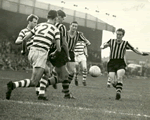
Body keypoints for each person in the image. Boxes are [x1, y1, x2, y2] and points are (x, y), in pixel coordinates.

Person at [6, 10, 61, 100]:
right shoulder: (55, 29)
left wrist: (23, 51)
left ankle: (41, 94)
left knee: (47, 71)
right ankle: (13, 85)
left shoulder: (39, 25)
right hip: (41, 54)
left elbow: (24, 39)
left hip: (32, 52)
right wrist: (54, 53)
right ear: (55, 18)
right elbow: (58, 48)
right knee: (34, 82)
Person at [100, 28, 149, 100]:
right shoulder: (111, 41)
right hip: (112, 63)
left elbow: (134, 49)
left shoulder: (125, 43)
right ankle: (118, 88)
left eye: (120, 35)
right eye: (117, 34)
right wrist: (102, 46)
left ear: (123, 35)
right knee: (113, 82)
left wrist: (141, 53)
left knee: (119, 77)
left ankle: (118, 93)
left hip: (120, 62)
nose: (118, 36)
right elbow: (105, 44)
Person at [37, 10, 75, 99]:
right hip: (58, 52)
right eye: (62, 18)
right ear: (58, 17)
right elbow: (64, 43)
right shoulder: (61, 27)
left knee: (64, 73)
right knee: (63, 77)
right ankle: (43, 85)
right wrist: (68, 54)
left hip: (49, 50)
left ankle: (67, 94)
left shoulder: (50, 26)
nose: (63, 20)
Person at [66, 21, 91, 86]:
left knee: (85, 68)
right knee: (76, 69)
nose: (74, 27)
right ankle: (76, 78)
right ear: (70, 26)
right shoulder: (74, 39)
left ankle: (84, 80)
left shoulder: (82, 40)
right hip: (75, 55)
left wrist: (86, 53)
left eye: (76, 26)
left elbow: (86, 46)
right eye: (73, 26)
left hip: (82, 55)